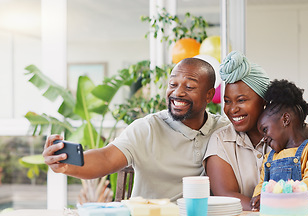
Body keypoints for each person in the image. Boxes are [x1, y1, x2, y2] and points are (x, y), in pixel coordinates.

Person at [42, 57, 229, 201]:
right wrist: (66, 164)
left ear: (209, 95)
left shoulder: (222, 130)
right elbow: (106, 158)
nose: (177, 92)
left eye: (189, 86)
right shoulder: (147, 128)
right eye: (172, 84)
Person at [203, 51, 272, 210]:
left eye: (241, 100)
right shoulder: (221, 141)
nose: (232, 109)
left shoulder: (290, 134)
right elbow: (226, 194)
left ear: (263, 100)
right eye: (227, 101)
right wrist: (275, 207)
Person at [251, 79, 308, 210]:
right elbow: (262, 184)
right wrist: (258, 196)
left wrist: (283, 196)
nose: (264, 139)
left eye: (265, 130)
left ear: (285, 120)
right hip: (278, 214)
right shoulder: (269, 157)